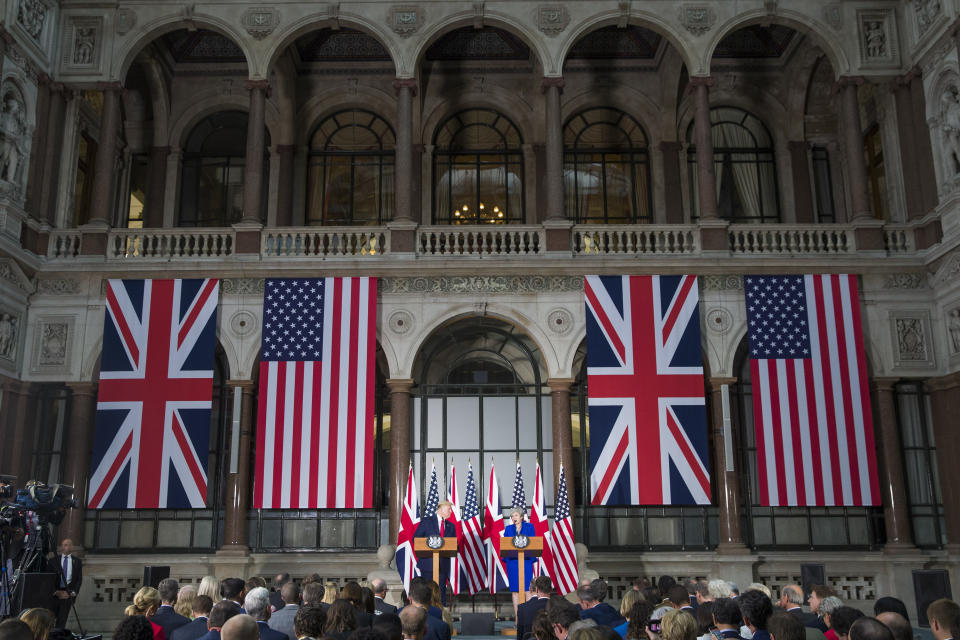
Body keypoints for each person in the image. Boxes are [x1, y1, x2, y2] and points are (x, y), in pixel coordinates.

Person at [413, 500, 456, 602]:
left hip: (442, 565)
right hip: (428, 564)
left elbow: (453, 544)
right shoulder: (427, 521)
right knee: (426, 593)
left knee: (440, 592)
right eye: (449, 509)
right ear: (441, 509)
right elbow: (416, 539)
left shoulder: (451, 526)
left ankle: (441, 614)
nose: (451, 511)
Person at [504, 508, 537, 611]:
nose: (514, 518)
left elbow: (533, 543)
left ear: (521, 517)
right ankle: (517, 619)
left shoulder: (529, 527)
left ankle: (527, 616)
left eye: (516, 515)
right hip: (513, 563)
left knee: (528, 590)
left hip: (526, 561)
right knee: (515, 591)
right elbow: (505, 545)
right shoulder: (508, 529)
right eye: (512, 516)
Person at [48, 538, 82, 628]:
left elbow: (79, 580)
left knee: (62, 620)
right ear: (61, 547)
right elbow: (49, 579)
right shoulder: (53, 561)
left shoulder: (77, 562)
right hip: (54, 594)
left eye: (70, 545)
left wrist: (73, 593)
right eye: (65, 545)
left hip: (68, 594)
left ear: (72, 547)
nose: (67, 547)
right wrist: (56, 592)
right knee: (49, 619)